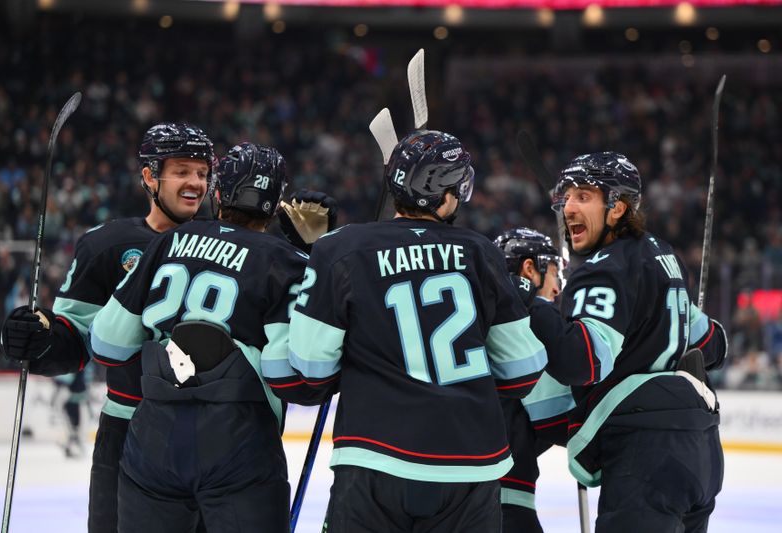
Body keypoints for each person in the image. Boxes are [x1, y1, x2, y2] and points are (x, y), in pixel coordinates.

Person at [284, 130, 548, 532]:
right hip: (470, 463)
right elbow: (524, 369)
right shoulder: (481, 252)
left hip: (373, 456)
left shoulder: (341, 248)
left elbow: (311, 366)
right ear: (444, 196)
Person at [89, 142, 337, 532]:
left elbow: (108, 343)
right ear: (276, 206)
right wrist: (314, 258)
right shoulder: (285, 261)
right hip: (239, 442)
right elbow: (287, 376)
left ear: (218, 193)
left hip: (154, 435)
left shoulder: (168, 243)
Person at [0, 122, 216, 533]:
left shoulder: (228, 246)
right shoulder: (107, 244)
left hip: (211, 432)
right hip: (129, 427)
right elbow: (74, 339)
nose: (196, 183)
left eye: (203, 173)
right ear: (150, 176)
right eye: (183, 170)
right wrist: (37, 338)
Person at [527, 152, 728, 532]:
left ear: (617, 208)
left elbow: (582, 361)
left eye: (583, 196)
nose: (568, 206)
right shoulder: (663, 256)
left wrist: (536, 305)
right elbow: (714, 345)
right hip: (700, 449)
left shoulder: (605, 268)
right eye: (566, 197)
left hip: (646, 455)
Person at [494, 227, 576, 532]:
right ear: (530, 268)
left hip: (452, 496)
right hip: (505, 499)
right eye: (554, 273)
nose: (557, 288)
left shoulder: (477, 313)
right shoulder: (528, 324)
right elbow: (555, 422)